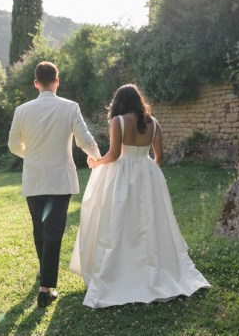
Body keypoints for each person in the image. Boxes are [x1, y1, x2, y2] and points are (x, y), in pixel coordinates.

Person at [69, 84, 210, 308]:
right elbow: (159, 156)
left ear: (119, 103)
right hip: (147, 173)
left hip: (122, 176)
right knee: (148, 221)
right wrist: (147, 173)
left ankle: (121, 270)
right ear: (139, 101)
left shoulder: (118, 122)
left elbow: (114, 154)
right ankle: (150, 268)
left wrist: (96, 163)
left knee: (119, 223)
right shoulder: (153, 124)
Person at [8, 61, 101, 308]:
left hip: (34, 177)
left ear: (36, 83)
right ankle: (45, 287)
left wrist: (33, 155)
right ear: (57, 81)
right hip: (60, 179)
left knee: (40, 229)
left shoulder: (22, 110)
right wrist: (96, 157)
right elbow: (85, 138)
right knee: (53, 232)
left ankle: (44, 275)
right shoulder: (70, 107)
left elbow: (13, 145)